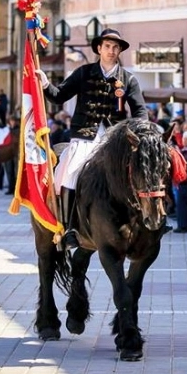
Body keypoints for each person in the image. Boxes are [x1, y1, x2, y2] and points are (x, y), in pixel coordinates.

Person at [33, 28, 147, 249]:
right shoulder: (84, 73)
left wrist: (141, 131)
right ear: (99, 49)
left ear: (119, 51)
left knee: (142, 171)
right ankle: (69, 229)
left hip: (115, 139)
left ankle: (148, 222)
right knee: (70, 173)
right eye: (107, 46)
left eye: (115, 47)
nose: (111, 51)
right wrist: (46, 84)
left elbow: (140, 111)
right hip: (85, 136)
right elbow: (60, 96)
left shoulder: (129, 79)